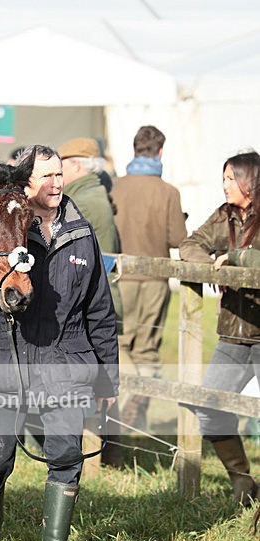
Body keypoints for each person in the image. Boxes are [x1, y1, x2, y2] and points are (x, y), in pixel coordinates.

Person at [0, 145, 119, 541]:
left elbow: (100, 311)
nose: (56, 183)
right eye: (45, 175)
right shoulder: (1, 223)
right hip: (4, 360)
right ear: (25, 181)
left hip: (64, 362)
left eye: (60, 174)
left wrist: (107, 378)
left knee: (66, 457)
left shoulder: (82, 233)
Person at [179, 150, 260, 506]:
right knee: (209, 408)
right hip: (233, 334)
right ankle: (244, 482)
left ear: (250, 180)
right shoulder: (224, 215)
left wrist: (237, 259)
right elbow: (189, 245)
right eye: (223, 178)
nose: (224, 184)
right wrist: (213, 266)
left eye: (231, 178)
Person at [113, 125, 187, 430]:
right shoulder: (169, 192)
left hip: (120, 279)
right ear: (160, 152)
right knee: (148, 349)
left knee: (118, 345)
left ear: (134, 150)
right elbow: (178, 239)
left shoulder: (114, 188)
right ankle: (139, 412)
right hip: (156, 280)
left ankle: (120, 417)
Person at [58, 136, 124, 467]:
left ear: (78, 165)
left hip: (95, 307)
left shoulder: (88, 201)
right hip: (93, 305)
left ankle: (107, 459)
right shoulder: (86, 195)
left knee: (99, 384)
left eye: (63, 164)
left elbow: (101, 262)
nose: (58, 173)